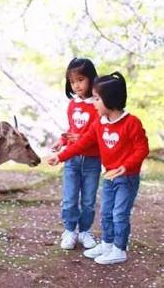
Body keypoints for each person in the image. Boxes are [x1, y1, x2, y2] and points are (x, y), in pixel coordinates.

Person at [48, 71, 149, 264]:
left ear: (109, 100)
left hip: (126, 178)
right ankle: (107, 243)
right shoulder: (99, 124)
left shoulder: (131, 123)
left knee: (119, 213)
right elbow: (81, 144)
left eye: (96, 99)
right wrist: (60, 156)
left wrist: (126, 167)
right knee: (106, 211)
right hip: (109, 176)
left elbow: (142, 149)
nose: (93, 103)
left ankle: (119, 249)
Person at [52, 58, 101, 250]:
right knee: (70, 198)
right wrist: (62, 140)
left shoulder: (98, 105)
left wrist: (79, 137)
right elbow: (72, 129)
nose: (76, 85)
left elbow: (96, 134)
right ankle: (70, 230)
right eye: (72, 82)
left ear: (91, 79)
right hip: (72, 159)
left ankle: (85, 231)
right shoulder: (73, 105)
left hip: (92, 160)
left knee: (88, 200)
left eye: (80, 79)